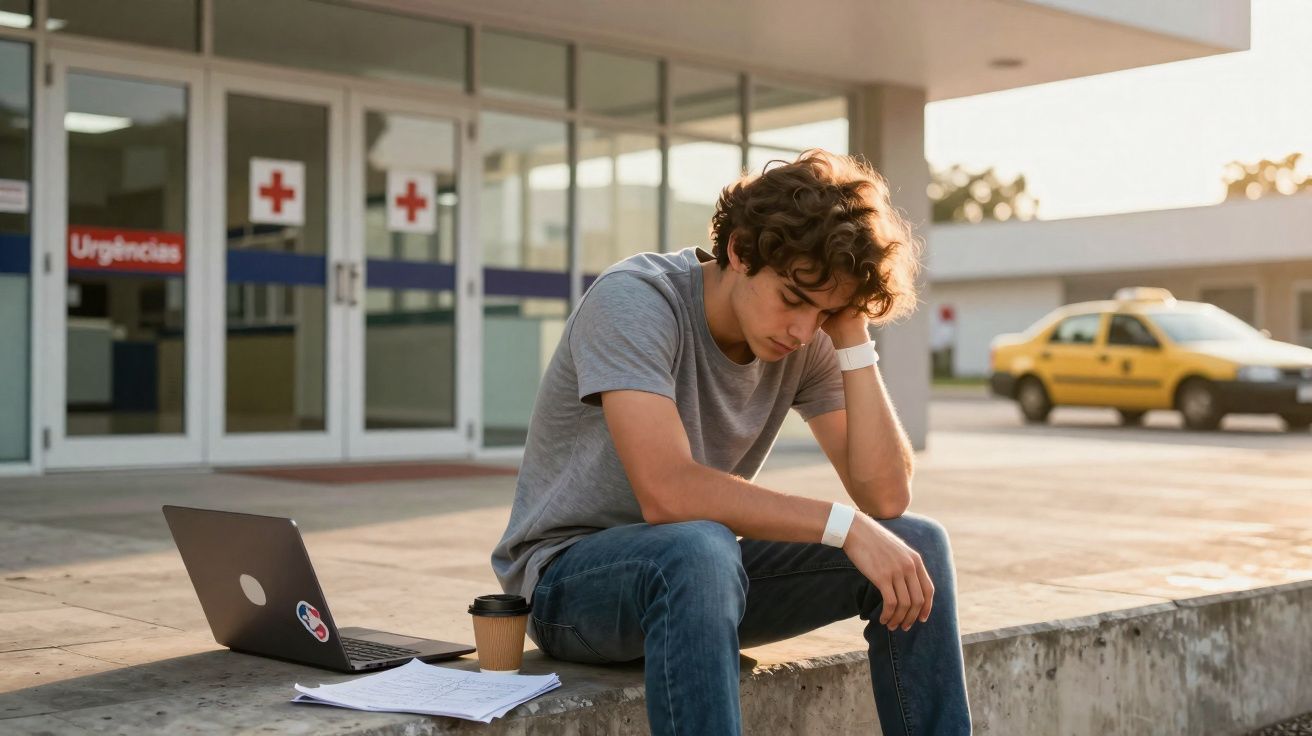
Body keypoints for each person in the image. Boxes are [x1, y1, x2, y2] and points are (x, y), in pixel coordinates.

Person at [491, 149, 971, 735]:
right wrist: (843, 525)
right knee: (698, 546)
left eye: (824, 312)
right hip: (571, 587)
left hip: (701, 584)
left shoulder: (809, 337)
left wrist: (851, 333)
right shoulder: (636, 300)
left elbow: (887, 496)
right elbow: (667, 493)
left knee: (915, 542)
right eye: (794, 299)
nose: (801, 330)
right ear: (740, 251)